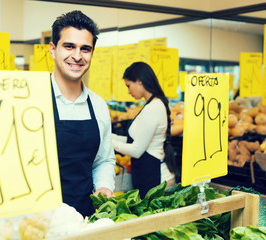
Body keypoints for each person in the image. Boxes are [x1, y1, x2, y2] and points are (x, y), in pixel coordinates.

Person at [49, 10, 116, 217]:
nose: (77, 56)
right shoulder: (30, 100)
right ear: (53, 49)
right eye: (69, 46)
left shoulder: (98, 105)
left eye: (85, 49)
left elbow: (103, 159)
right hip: (39, 221)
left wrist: (104, 186)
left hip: (84, 217)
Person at [112, 62, 176, 198]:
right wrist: (107, 136)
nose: (128, 91)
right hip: (149, 175)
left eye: (128, 86)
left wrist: (110, 143)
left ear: (140, 81)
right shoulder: (151, 105)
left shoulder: (154, 107)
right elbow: (133, 140)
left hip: (158, 181)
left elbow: (136, 150)